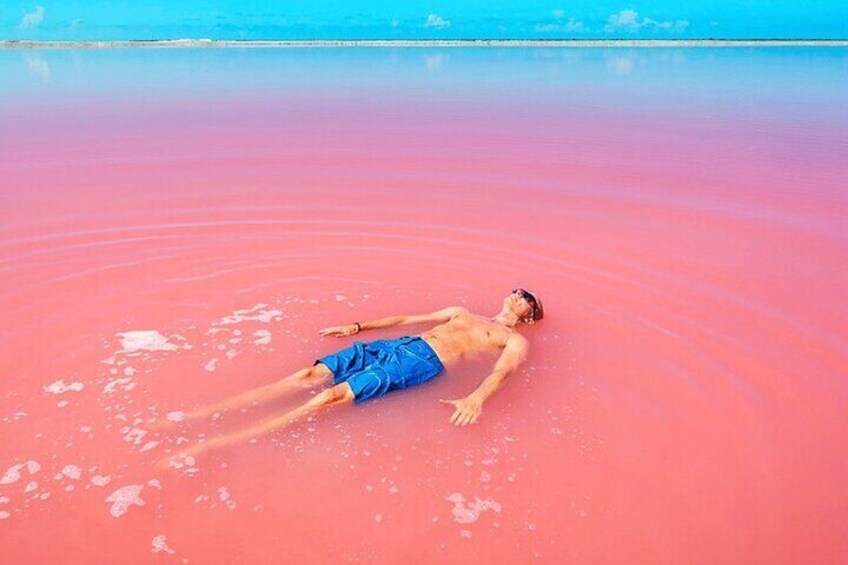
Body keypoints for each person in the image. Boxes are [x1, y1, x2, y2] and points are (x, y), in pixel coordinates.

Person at [166, 288, 543, 462]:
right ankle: (202, 416)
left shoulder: (513, 340)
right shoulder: (462, 310)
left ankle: (222, 442)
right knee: (307, 375)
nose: (515, 293)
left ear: (528, 314)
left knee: (330, 397)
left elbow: (502, 374)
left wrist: (476, 397)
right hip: (399, 343)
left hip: (422, 361)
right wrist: (359, 326)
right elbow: (408, 319)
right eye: (515, 290)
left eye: (525, 295)